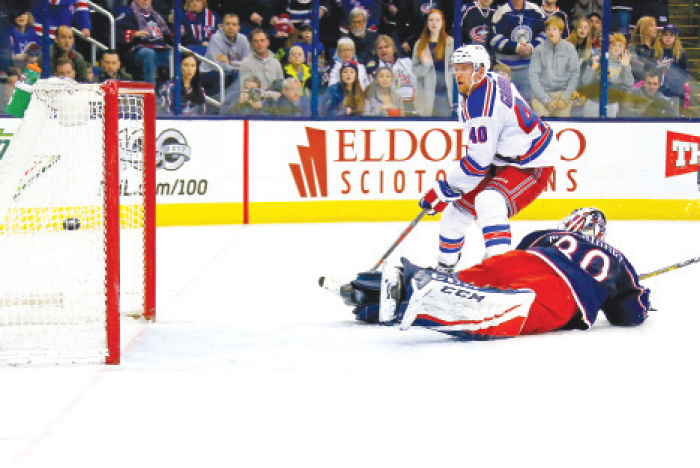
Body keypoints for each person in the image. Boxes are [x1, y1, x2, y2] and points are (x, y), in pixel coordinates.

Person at [334, 207, 650, 342]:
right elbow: (629, 313)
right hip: (565, 293)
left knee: (462, 281)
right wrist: (635, 295)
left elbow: (522, 249)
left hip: (523, 259)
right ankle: (435, 304)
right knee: (510, 309)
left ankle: (392, 288)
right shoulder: (617, 259)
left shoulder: (548, 234)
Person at [418, 44, 557, 271]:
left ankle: (501, 271)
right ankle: (443, 273)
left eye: (464, 68)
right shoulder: (486, 81)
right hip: (503, 158)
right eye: (456, 68)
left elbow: (476, 165)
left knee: (489, 201)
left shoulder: (482, 105)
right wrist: (449, 192)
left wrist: (443, 190)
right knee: (454, 214)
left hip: (531, 162)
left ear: (480, 71)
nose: (458, 74)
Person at [490, 0, 546, 105]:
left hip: (528, 68)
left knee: (526, 105)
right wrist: (516, 47)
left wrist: (531, 47)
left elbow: (544, 33)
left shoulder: (535, 10)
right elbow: (494, 39)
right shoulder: (501, 12)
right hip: (505, 70)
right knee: (504, 105)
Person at [529, 16, 579, 117]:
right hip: (542, 95)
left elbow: (575, 75)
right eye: (548, 29)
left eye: (554, 29)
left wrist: (564, 99)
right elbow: (533, 77)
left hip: (562, 94)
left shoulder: (569, 48)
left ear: (561, 31)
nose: (551, 32)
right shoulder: (539, 50)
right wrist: (546, 100)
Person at [116, 0, 173, 87]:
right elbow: (115, 32)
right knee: (149, 53)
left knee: (176, 54)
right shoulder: (128, 13)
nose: (145, 0)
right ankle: (150, 90)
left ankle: (173, 90)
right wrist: (134, 34)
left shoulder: (156, 15)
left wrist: (179, 33)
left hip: (161, 48)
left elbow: (166, 35)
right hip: (138, 49)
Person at [579, 32, 634, 118]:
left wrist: (626, 66)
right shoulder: (598, 59)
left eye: (620, 46)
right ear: (609, 46)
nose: (617, 48)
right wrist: (593, 67)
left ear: (624, 49)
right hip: (594, 102)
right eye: (614, 45)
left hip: (612, 103)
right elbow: (585, 80)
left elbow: (629, 83)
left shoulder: (624, 64)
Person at [411, 8, 454, 117]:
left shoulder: (450, 43)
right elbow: (415, 70)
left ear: (442, 23)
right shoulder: (420, 44)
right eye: (431, 20)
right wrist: (425, 65)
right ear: (427, 23)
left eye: (437, 20)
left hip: (446, 94)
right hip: (427, 94)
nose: (434, 23)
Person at [201, 13, 251, 95]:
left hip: (231, 72)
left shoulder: (243, 39)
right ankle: (217, 105)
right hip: (209, 72)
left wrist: (230, 62)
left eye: (234, 24)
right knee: (229, 77)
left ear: (238, 28)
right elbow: (216, 64)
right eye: (227, 24)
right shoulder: (216, 39)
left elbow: (248, 62)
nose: (231, 27)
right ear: (222, 26)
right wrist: (236, 68)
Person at [365, 35, 416, 112]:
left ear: (393, 49)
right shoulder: (374, 68)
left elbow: (418, 83)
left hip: (411, 103)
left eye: (386, 47)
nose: (383, 50)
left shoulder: (407, 62)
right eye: (380, 48)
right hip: (387, 106)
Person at [653, 23, 689, 112]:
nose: (668, 38)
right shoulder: (654, 52)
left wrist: (678, 85)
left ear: (675, 38)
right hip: (656, 91)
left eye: (671, 35)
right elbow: (648, 69)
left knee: (673, 115)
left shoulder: (681, 53)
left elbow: (685, 72)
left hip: (674, 92)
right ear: (661, 36)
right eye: (665, 35)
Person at [629, 15, 657, 82]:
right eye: (652, 26)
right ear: (644, 28)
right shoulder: (632, 47)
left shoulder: (658, 47)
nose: (655, 28)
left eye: (655, 26)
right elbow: (636, 67)